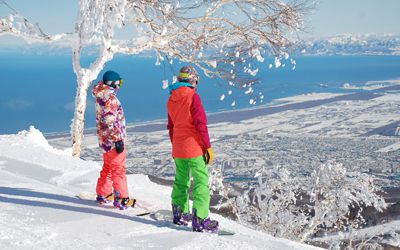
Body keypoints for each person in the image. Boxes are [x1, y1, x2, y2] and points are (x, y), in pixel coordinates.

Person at [167, 65, 219, 232]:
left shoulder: (171, 98)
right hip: (194, 148)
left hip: (178, 148)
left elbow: (171, 127)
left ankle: (180, 213)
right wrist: (207, 147)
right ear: (193, 80)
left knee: (181, 180)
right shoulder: (193, 97)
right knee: (201, 182)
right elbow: (200, 124)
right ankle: (201, 219)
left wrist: (176, 145)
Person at [92, 70, 135, 210]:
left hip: (105, 140)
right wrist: (117, 139)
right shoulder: (110, 98)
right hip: (113, 140)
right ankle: (122, 198)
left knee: (108, 167)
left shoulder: (101, 96)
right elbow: (110, 119)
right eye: (120, 83)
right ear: (114, 84)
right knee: (118, 169)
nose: (120, 86)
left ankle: (103, 193)